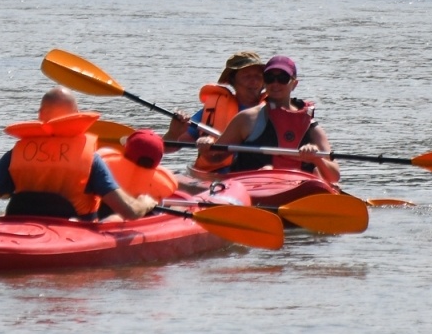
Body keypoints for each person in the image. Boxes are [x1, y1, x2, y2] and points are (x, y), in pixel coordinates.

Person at [0, 86, 158, 220]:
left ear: (41, 115)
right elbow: (130, 212)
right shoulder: (89, 159)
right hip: (71, 233)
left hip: (19, 227)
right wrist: (145, 203)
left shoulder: (17, 154)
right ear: (76, 117)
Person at [201, 55, 339, 183]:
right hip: (252, 189)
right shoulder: (246, 119)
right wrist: (206, 146)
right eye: (269, 78)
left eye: (283, 78)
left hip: (298, 191)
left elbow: (334, 177)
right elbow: (215, 158)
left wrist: (317, 159)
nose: (275, 84)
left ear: (294, 84)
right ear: (264, 83)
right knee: (266, 169)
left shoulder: (311, 126)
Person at [165, 51, 265, 174]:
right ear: (233, 80)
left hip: (263, 176)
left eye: (258, 76)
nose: (254, 81)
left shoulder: (273, 108)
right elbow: (167, 148)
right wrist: (173, 133)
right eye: (246, 76)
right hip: (219, 176)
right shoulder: (213, 109)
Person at [97, 129, 179, 214]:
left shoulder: (104, 162)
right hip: (140, 218)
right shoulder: (164, 181)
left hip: (101, 212)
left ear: (126, 148)